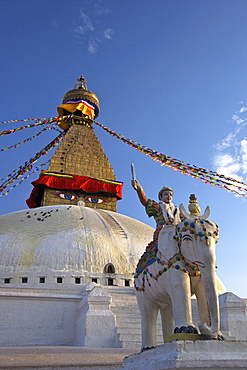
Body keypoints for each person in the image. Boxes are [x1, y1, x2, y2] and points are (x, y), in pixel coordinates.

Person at [131, 179, 181, 252]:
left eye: (170, 194)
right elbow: (144, 200)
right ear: (161, 197)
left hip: (176, 236)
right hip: (162, 234)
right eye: (166, 194)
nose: (168, 196)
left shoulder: (177, 211)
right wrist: (139, 188)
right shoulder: (156, 206)